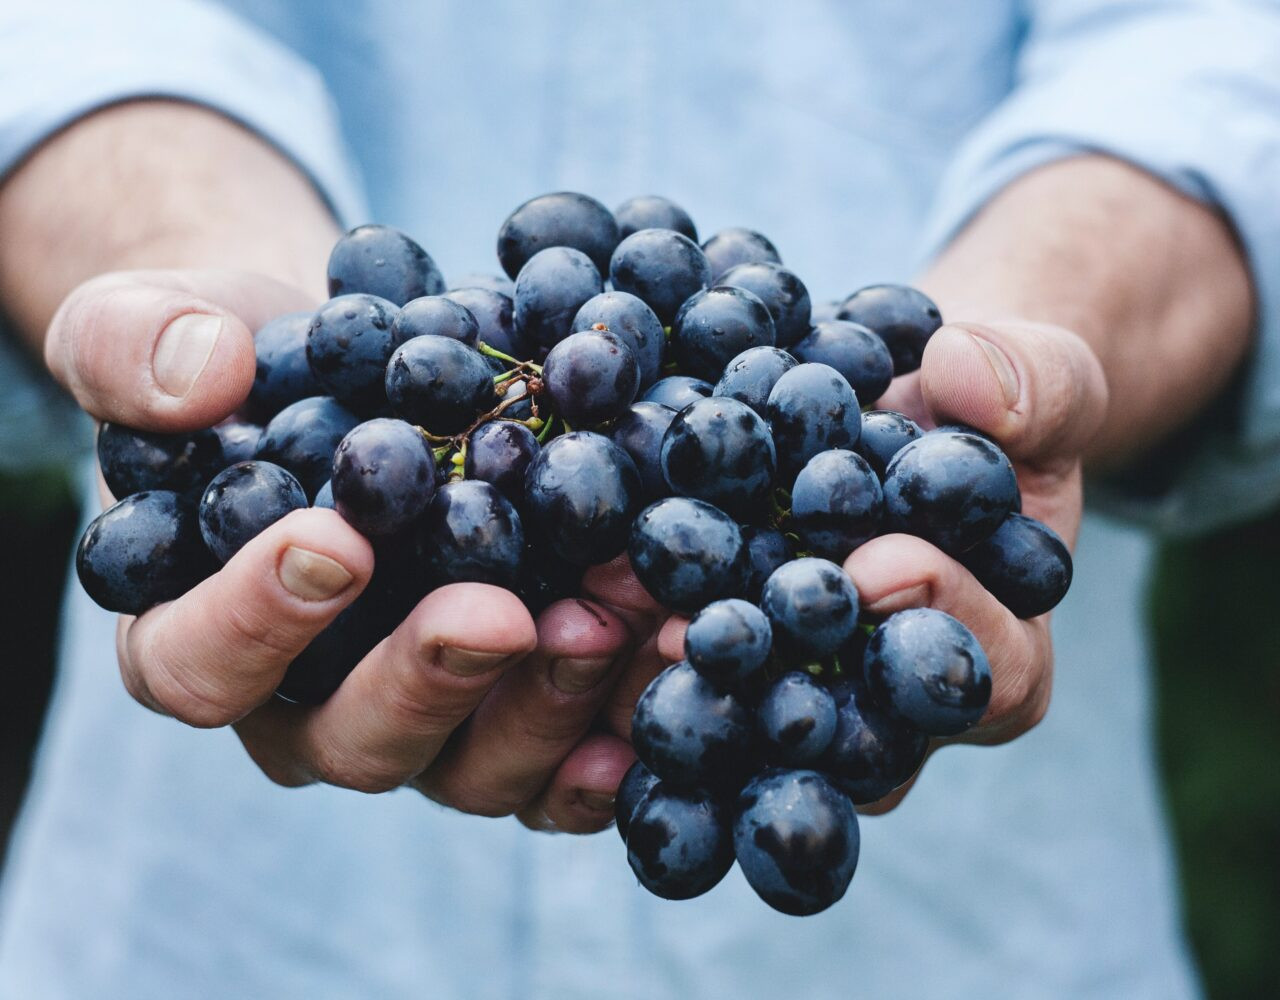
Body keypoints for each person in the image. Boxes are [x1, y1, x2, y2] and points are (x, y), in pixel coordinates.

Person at [0, 2, 1277, 996]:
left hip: (972, 937)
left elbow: (1214, 56)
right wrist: (183, 286)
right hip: (225, 935)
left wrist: (1022, 346)